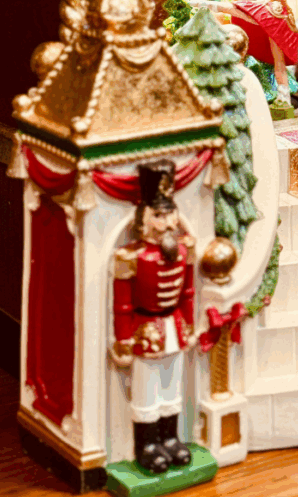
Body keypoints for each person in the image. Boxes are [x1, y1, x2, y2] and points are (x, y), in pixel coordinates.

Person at [110, 160, 197, 473]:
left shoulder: (184, 249)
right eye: (158, 216)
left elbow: (188, 292)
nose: (166, 222)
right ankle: (146, 445)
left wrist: (189, 325)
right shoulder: (131, 257)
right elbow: (122, 304)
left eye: (169, 214)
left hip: (174, 327)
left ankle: (170, 438)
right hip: (146, 330)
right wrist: (123, 339)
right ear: (144, 219)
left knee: (172, 385)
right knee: (147, 390)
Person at [191, 0, 298, 115]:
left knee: (241, 11)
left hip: (272, 10)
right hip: (276, 13)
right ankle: (284, 96)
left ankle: (210, 4)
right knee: (278, 59)